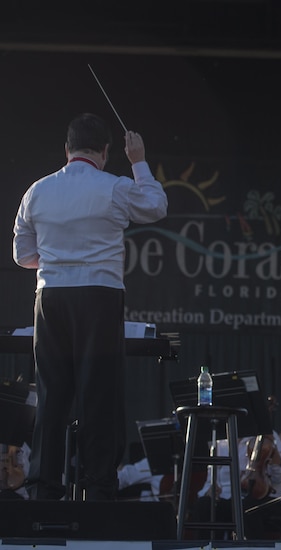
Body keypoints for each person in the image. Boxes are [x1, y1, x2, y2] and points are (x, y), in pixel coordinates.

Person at [13, 114, 167, 501]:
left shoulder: (37, 191)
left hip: (51, 297)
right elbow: (156, 206)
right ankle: (99, 489)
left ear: (66, 150)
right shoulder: (114, 187)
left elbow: (22, 255)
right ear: (104, 152)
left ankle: (43, 490)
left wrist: (58, 257)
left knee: (51, 394)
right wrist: (139, 161)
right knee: (98, 394)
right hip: (99, 296)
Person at [193, 431, 281, 539]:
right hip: (226, 499)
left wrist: (272, 451)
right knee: (204, 504)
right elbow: (211, 478)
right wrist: (209, 491)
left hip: (264, 497)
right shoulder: (220, 440)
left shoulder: (267, 435)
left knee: (246, 507)